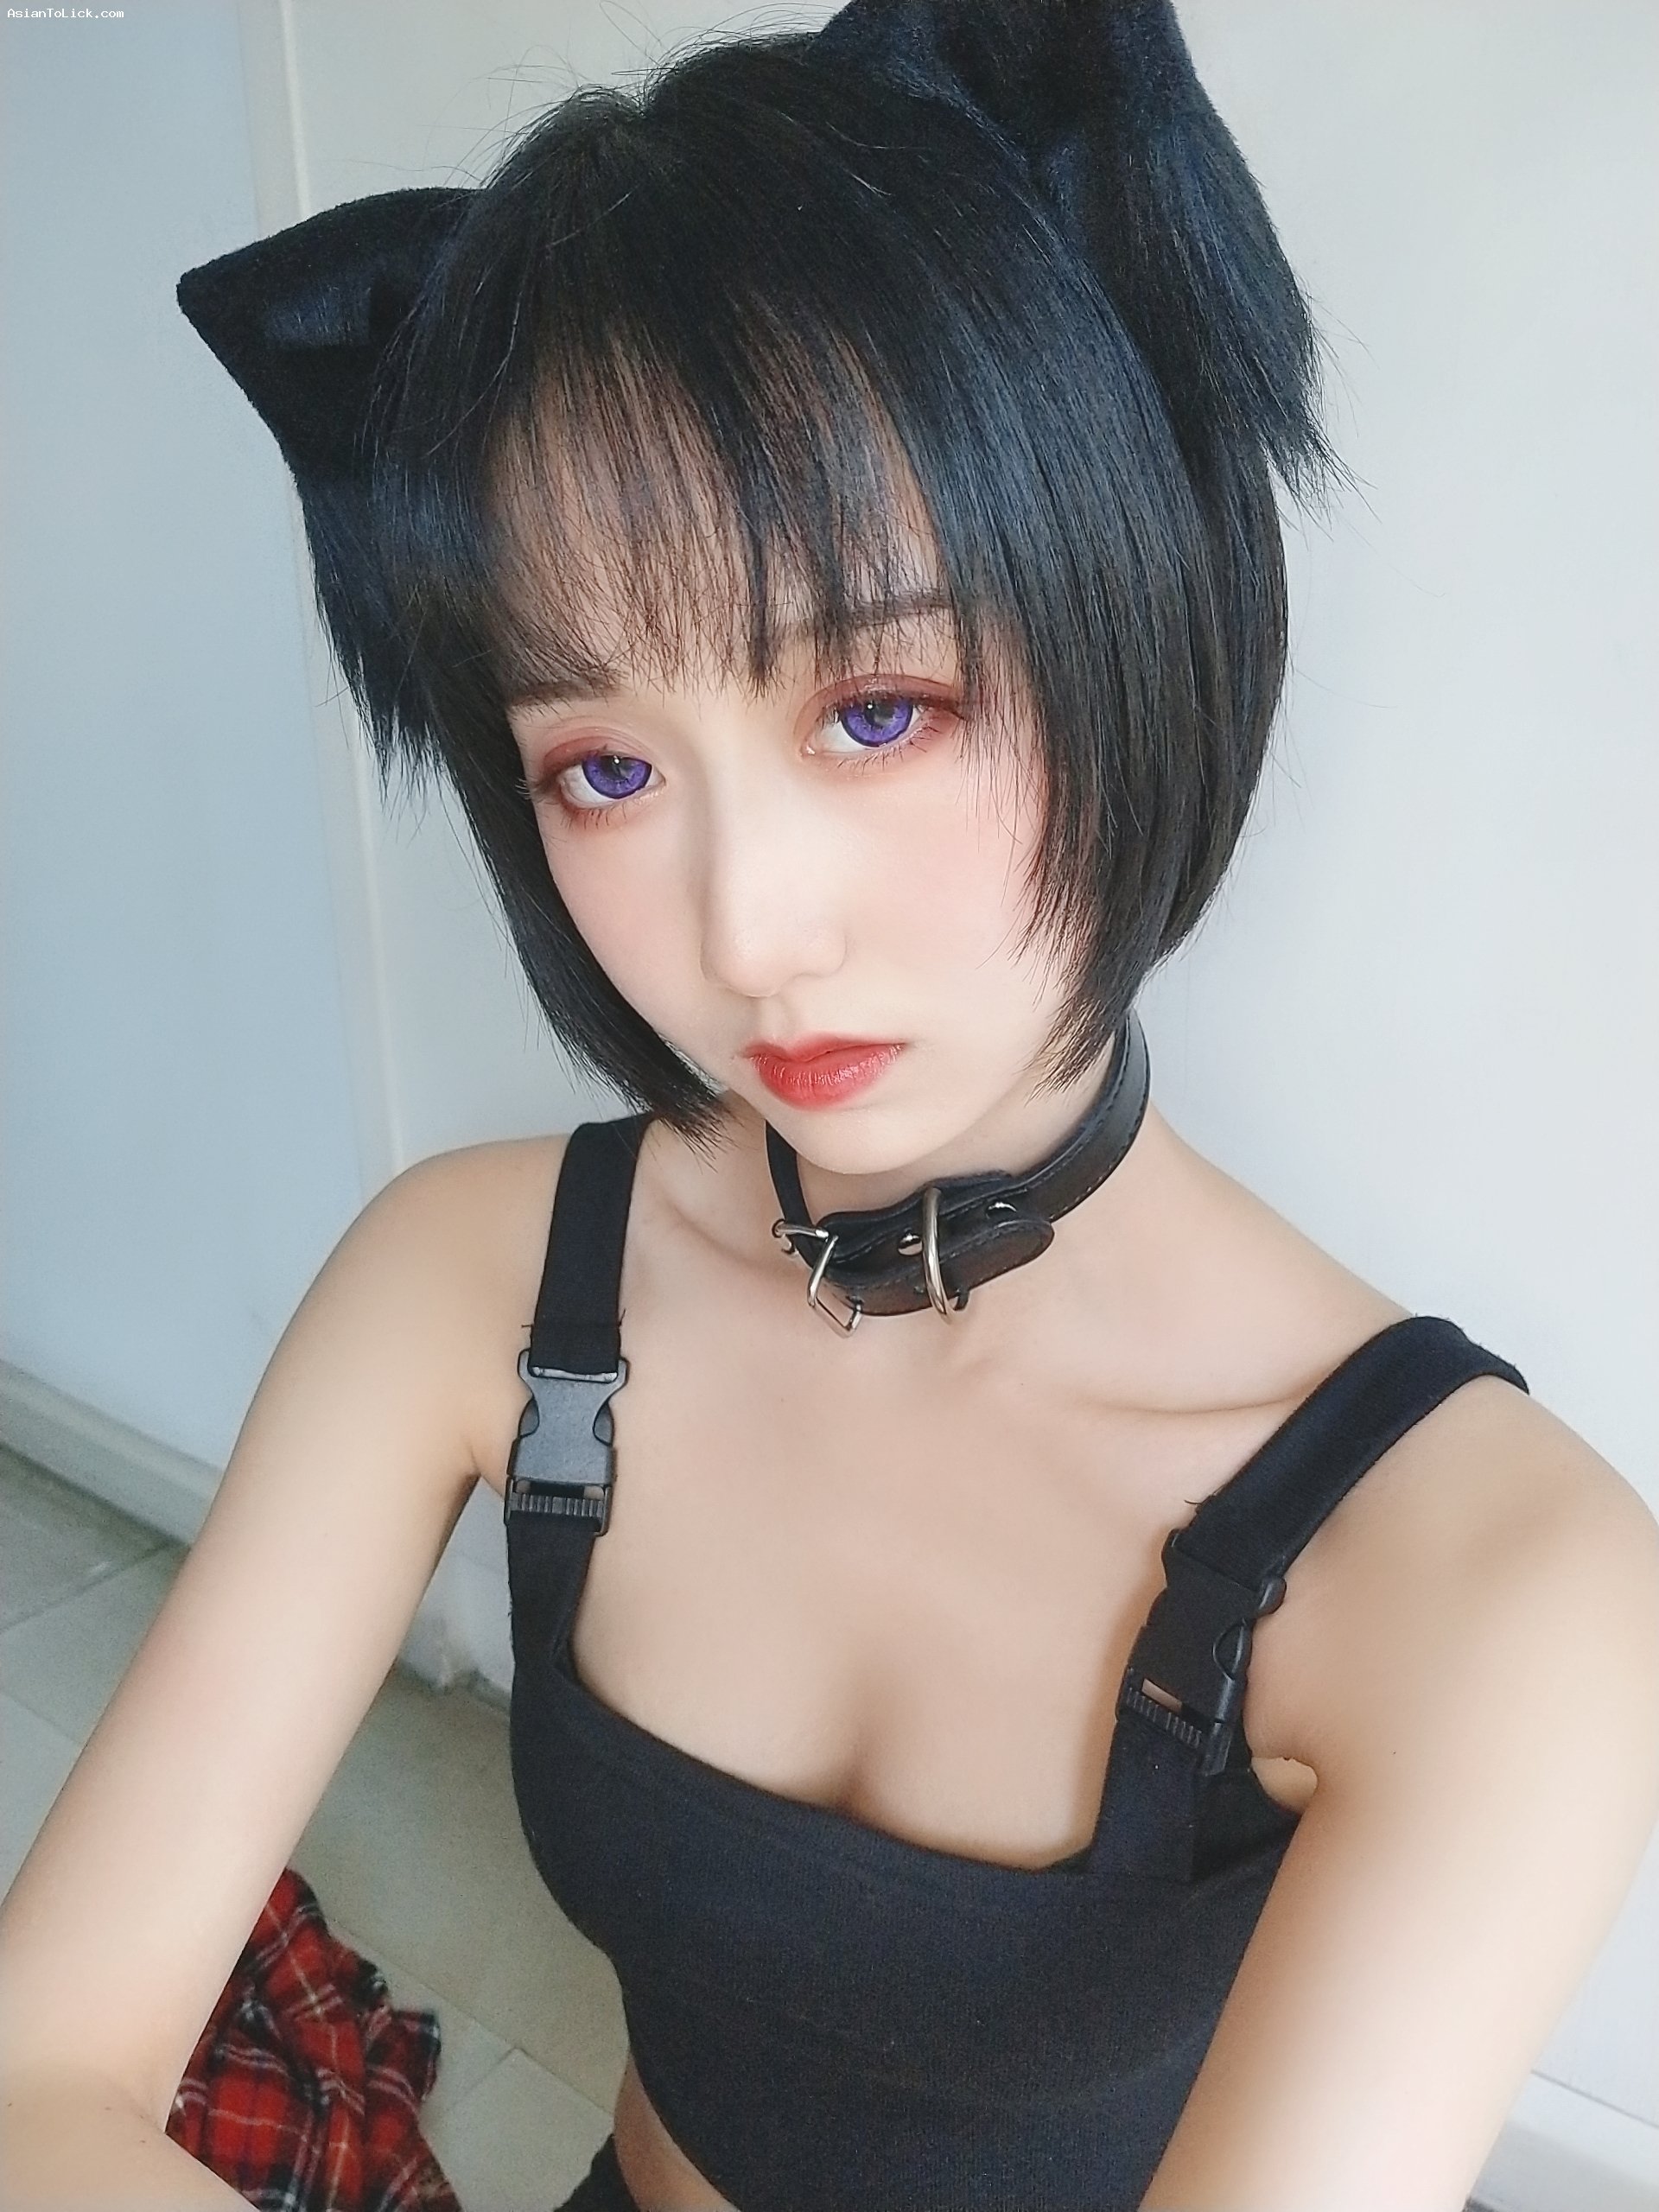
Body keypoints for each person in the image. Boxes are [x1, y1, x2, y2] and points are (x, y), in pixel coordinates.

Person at [3, 2, 1657, 2209]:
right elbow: (39, 2075)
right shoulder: (475, 1282)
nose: (746, 926)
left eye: (879, 707)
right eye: (607, 766)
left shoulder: (1493, 1572)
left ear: (1138, 609)